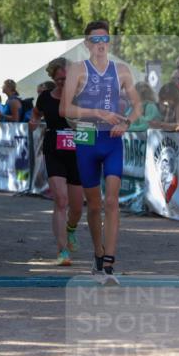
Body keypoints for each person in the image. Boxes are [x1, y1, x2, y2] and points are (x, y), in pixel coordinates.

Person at [60, 20, 141, 281]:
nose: (100, 44)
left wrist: (126, 122)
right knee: (94, 205)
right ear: (87, 44)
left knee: (111, 201)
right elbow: (65, 110)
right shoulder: (77, 70)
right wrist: (95, 112)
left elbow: (138, 105)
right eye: (95, 40)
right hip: (86, 139)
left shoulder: (122, 70)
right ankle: (97, 252)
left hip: (112, 140)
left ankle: (109, 262)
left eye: (104, 39)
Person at [31, 57, 84, 266]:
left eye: (67, 78)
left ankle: (71, 229)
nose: (63, 82)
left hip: (78, 153)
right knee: (61, 200)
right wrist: (33, 122)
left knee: (78, 207)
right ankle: (62, 251)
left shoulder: (81, 97)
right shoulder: (45, 97)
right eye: (59, 79)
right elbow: (36, 113)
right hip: (53, 150)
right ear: (53, 77)